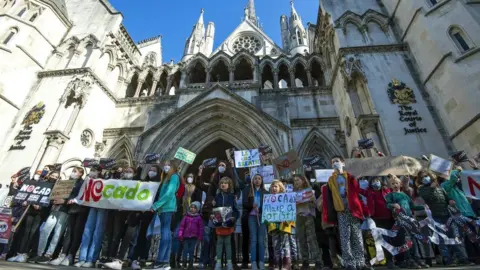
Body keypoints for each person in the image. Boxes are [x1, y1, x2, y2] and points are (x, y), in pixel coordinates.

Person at [322, 156, 371, 270]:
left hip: (353, 210)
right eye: (333, 162)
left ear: (343, 163)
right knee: (345, 238)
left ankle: (360, 262)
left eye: (337, 161)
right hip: (341, 211)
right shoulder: (330, 181)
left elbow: (357, 195)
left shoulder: (351, 178)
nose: (335, 163)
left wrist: (365, 210)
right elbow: (328, 199)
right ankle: (349, 262)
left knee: (357, 237)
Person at [417, 170, 471, 267]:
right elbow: (427, 198)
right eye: (422, 177)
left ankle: (462, 258)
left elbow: (447, 198)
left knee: (455, 236)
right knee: (442, 239)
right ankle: (447, 259)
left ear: (430, 176)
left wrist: (450, 201)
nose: (425, 178)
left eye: (426, 176)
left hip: (447, 216)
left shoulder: (440, 188)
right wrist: (431, 189)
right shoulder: (422, 189)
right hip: (435, 218)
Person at [34, 167, 85, 264]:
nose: (73, 173)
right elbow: (57, 192)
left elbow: (77, 197)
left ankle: (48, 254)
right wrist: (54, 199)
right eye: (73, 171)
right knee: (45, 230)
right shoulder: (65, 182)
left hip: (65, 210)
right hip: (55, 209)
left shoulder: (80, 184)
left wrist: (65, 201)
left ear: (80, 174)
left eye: (75, 172)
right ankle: (39, 253)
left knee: (58, 233)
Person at [50, 166, 91, 266]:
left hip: (83, 210)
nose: (73, 173)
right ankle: (63, 254)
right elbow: (72, 194)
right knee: (69, 233)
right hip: (73, 209)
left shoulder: (84, 183)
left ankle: (71, 256)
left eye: (75, 171)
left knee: (77, 233)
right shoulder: (76, 183)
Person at [385, 175, 425, 268]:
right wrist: (393, 204)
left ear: (400, 184)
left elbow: (413, 207)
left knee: (413, 239)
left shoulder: (405, 195)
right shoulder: (389, 195)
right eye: (393, 184)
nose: (395, 185)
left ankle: (416, 258)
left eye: (397, 183)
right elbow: (387, 205)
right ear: (390, 186)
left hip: (410, 219)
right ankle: (407, 260)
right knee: (405, 240)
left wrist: (424, 207)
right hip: (400, 220)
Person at [150, 160, 181, 270]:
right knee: (166, 233)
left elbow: (169, 193)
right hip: (164, 208)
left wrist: (156, 205)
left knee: (165, 234)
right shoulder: (167, 177)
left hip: (166, 208)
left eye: (168, 165)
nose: (166, 166)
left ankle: (161, 260)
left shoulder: (174, 177)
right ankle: (164, 261)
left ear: (173, 167)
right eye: (165, 165)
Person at [360, 177, 397, 269]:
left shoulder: (387, 190)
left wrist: (392, 176)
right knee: (381, 240)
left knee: (389, 240)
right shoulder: (368, 192)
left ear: (381, 182)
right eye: (373, 181)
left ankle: (391, 260)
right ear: (370, 184)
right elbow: (357, 189)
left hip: (389, 218)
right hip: (376, 219)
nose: (376, 183)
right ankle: (384, 260)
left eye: (377, 181)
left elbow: (396, 184)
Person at [76, 166, 108, 268]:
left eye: (94, 171)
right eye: (91, 170)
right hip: (92, 205)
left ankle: (91, 259)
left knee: (98, 232)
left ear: (100, 172)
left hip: (103, 206)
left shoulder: (106, 179)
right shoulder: (89, 180)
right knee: (87, 230)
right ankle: (82, 258)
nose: (92, 172)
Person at [130, 165, 161, 270]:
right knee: (139, 237)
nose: (151, 172)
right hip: (141, 213)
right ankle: (135, 258)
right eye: (150, 170)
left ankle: (141, 257)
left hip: (150, 214)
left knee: (146, 237)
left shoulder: (158, 185)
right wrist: (139, 169)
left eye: (154, 170)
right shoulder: (145, 182)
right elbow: (135, 184)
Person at [292, 175, 326, 270]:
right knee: (301, 240)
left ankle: (318, 261)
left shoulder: (310, 191)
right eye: (294, 181)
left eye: (298, 180)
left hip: (308, 217)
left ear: (303, 181)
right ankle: (305, 261)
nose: (296, 182)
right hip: (298, 217)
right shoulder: (292, 193)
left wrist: (312, 201)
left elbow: (315, 206)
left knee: (312, 239)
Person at [211, 176, 239, 270]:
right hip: (219, 224)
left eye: (225, 183)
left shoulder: (232, 197)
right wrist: (212, 213)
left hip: (229, 224)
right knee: (219, 243)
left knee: (228, 243)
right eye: (222, 183)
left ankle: (229, 263)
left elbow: (236, 211)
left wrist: (234, 218)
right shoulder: (216, 197)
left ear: (229, 185)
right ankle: (218, 262)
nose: (223, 184)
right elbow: (213, 210)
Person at [267, 180, 295, 270]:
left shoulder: (286, 197)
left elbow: (291, 211)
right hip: (274, 225)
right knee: (276, 245)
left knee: (285, 244)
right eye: (272, 186)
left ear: (280, 188)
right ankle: (277, 263)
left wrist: (286, 219)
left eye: (276, 186)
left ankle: (286, 264)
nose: (274, 188)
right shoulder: (268, 199)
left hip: (284, 224)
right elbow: (266, 213)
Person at [243, 174, 267, 270]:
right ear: (252, 180)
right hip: (251, 217)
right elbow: (244, 204)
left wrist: (260, 209)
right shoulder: (248, 191)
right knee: (253, 239)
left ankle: (261, 262)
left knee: (261, 240)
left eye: (259, 178)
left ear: (261, 181)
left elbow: (268, 205)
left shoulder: (265, 192)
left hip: (262, 217)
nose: (257, 180)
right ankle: (253, 262)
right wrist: (251, 206)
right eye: (255, 179)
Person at [178, 201, 204, 269]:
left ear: (197, 209)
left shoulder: (199, 218)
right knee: (185, 251)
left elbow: (201, 228)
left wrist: (199, 237)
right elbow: (182, 226)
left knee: (191, 251)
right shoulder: (186, 217)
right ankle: (184, 264)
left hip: (194, 237)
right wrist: (180, 235)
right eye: (191, 207)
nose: (192, 209)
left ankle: (190, 264)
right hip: (185, 237)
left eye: (194, 208)